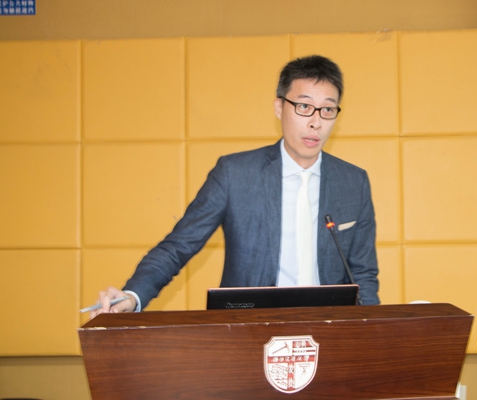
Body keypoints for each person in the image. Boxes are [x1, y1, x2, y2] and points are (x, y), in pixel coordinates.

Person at [91, 55, 379, 318]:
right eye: (304, 106)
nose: (316, 122)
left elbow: (363, 274)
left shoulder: (354, 182)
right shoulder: (234, 174)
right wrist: (132, 295)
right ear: (279, 107)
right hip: (248, 329)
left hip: (330, 329)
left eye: (327, 109)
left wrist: (372, 333)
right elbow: (178, 247)